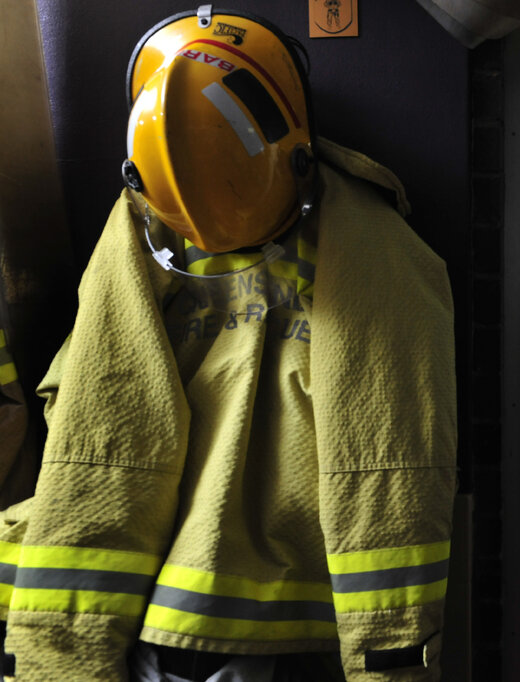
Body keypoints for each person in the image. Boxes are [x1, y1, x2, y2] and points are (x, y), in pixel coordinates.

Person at [1, 9, 457, 680]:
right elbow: (108, 429)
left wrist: (60, 657)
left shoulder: (369, 245)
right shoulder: (143, 229)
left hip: (185, 630)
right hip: (267, 632)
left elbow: (385, 459)